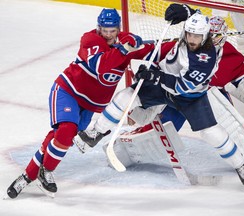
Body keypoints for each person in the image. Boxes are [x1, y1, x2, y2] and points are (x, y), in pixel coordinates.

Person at [73, 7, 244, 187]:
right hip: (162, 85)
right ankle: (96, 132)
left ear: (205, 36)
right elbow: (190, 21)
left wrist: (154, 76)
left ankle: (241, 165)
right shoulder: (191, 35)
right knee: (125, 96)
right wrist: (185, 11)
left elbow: (182, 87)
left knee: (212, 133)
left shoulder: (205, 59)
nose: (191, 39)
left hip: (190, 97)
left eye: (196, 36)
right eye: (189, 34)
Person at [6, 8, 175, 199]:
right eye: (105, 30)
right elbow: (102, 65)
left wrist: (183, 43)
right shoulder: (90, 40)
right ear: (98, 28)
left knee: (59, 138)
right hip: (67, 91)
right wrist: (124, 48)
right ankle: (46, 172)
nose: (109, 35)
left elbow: (156, 50)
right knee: (67, 130)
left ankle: (28, 175)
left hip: (89, 106)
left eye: (112, 31)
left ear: (118, 29)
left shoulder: (124, 43)